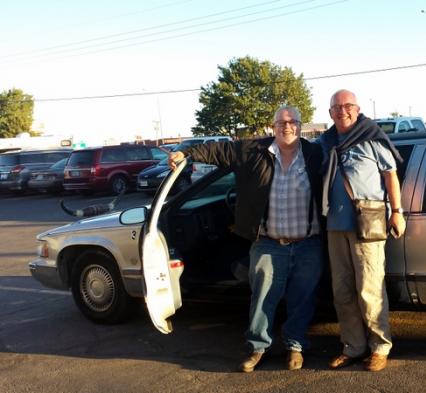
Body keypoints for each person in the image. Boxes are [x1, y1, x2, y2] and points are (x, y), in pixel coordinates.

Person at [168, 106, 324, 373]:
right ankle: (257, 348)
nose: (287, 127)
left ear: (300, 126)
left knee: (303, 298)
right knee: (263, 299)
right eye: (281, 122)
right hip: (268, 243)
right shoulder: (254, 151)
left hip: (308, 243)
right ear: (272, 126)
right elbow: (220, 151)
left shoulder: (314, 154)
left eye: (292, 122)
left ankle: (295, 346)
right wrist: (186, 152)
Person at [317, 89, 405, 372]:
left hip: (367, 225)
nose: (342, 111)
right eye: (336, 107)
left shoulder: (371, 138)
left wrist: (398, 212)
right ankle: (353, 346)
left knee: (369, 290)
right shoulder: (325, 142)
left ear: (357, 109)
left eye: (348, 106)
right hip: (334, 227)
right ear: (330, 113)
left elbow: (390, 175)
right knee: (342, 292)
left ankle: (380, 347)